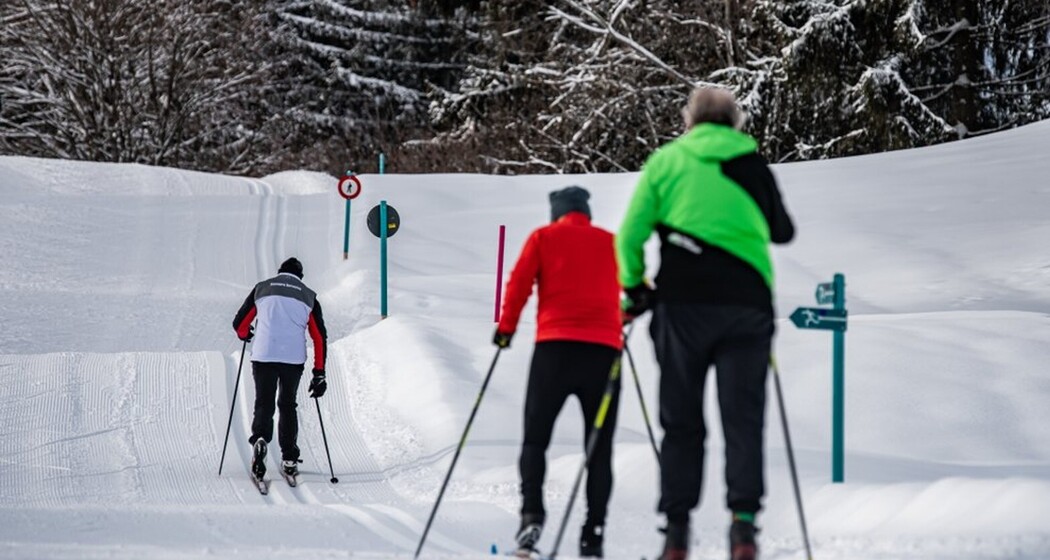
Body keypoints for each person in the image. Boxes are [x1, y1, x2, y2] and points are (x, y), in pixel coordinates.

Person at [616, 87, 795, 560]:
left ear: (689, 122)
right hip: (747, 307)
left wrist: (635, 288)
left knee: (681, 422)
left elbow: (628, 236)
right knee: (742, 419)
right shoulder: (752, 164)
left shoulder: (667, 162)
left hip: (682, 306)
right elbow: (783, 231)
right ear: (735, 123)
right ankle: (743, 528)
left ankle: (676, 534)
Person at [495, 186, 623, 559]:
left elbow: (519, 283)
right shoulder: (611, 243)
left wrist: (506, 329)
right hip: (603, 354)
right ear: (586, 212)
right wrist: (623, 317)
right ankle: (593, 533)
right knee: (598, 448)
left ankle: (531, 515)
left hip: (554, 351)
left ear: (556, 213)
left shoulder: (543, 238)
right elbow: (634, 286)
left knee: (535, 440)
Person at [232, 257, 328, 480]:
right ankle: (289, 457)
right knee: (287, 404)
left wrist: (246, 334)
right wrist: (319, 373)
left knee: (264, 402)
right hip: (292, 359)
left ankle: (260, 439)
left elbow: (240, 323)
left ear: (279, 272)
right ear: (300, 276)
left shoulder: (262, 288)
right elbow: (319, 337)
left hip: (264, 355)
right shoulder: (308, 296)